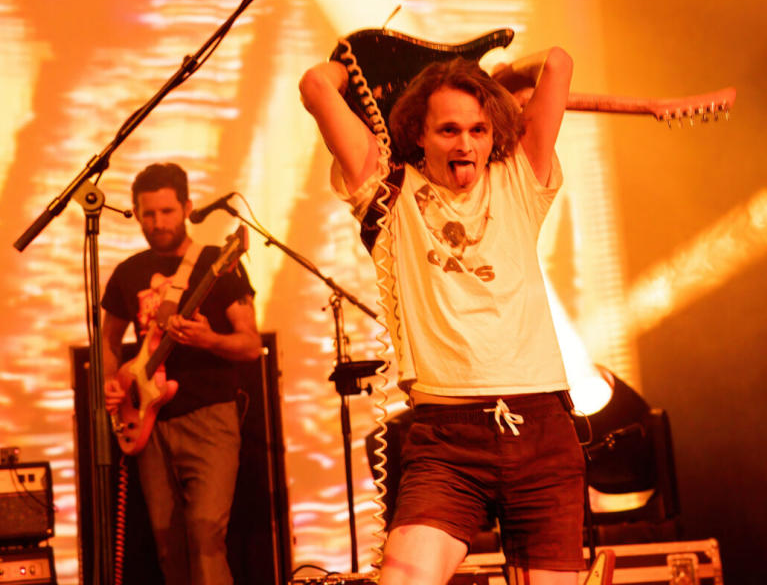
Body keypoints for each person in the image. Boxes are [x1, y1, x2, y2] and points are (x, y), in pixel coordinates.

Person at [300, 44, 581, 585]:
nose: (466, 144)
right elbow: (316, 86)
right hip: (448, 445)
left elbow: (560, 62)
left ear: (496, 132)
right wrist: (362, 55)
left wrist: (498, 77)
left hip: (543, 432)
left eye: (478, 129)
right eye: (449, 130)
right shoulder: (389, 192)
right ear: (418, 135)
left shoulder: (520, 180)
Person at [101, 162, 261, 585]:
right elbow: (108, 340)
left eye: (167, 211)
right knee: (167, 541)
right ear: (136, 213)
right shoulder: (126, 273)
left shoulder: (216, 263)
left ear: (187, 207)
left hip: (210, 415)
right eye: (148, 213)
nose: (157, 223)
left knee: (206, 529)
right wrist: (112, 384)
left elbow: (250, 344)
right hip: (150, 426)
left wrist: (209, 340)